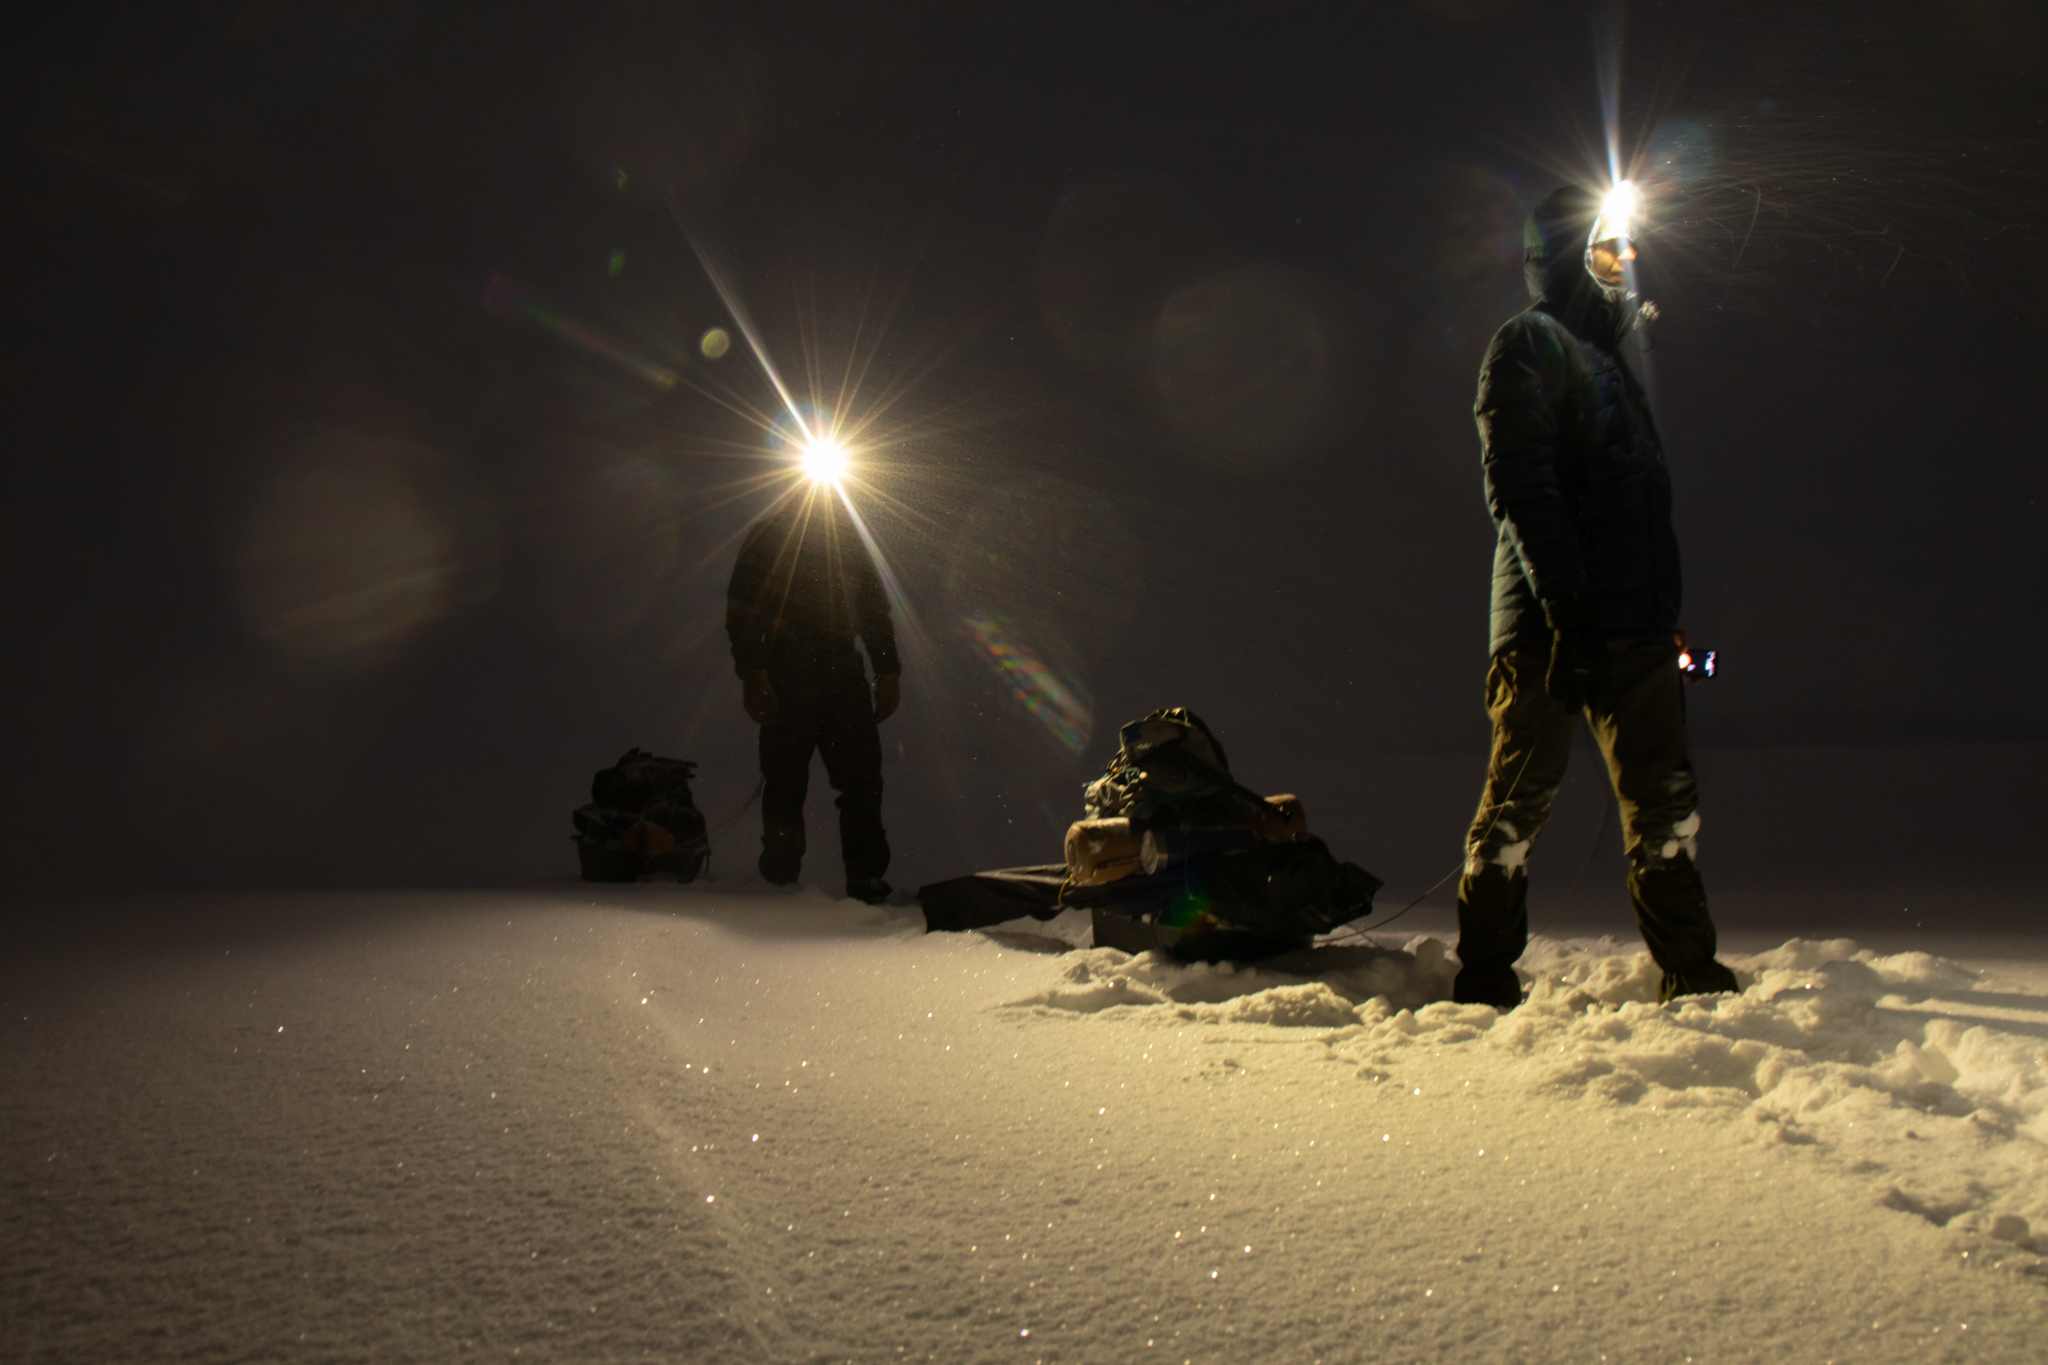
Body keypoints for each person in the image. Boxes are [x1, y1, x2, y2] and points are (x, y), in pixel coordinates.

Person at [1452, 183, 1741, 1010]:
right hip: (1549, 628)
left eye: (1630, 249)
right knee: (1515, 807)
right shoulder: (1528, 346)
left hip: (1635, 629)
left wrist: (1655, 615)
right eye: (1609, 249)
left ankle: (1693, 978)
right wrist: (1567, 609)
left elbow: (1630, 506)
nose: (1627, 264)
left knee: (1666, 811)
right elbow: (1521, 485)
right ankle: (1484, 982)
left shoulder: (1618, 368)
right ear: (1571, 255)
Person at [725, 487, 901, 903]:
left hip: (840, 671)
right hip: (787, 672)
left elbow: (872, 607)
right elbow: (742, 611)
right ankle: (780, 883)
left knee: (860, 782)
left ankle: (866, 884)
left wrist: (888, 669)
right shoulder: (767, 536)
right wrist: (753, 673)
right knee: (786, 781)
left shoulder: (848, 539)